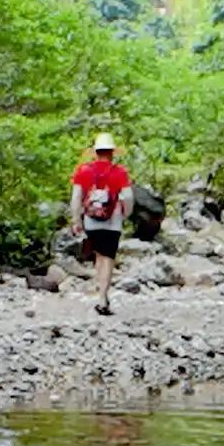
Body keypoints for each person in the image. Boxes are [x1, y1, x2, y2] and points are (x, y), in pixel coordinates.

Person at [69, 131, 137, 316]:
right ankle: (102, 297)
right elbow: (129, 196)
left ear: (95, 152)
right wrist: (125, 214)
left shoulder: (83, 171)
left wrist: (76, 220)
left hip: (91, 220)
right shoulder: (119, 172)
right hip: (113, 220)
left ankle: (100, 292)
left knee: (99, 255)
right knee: (108, 256)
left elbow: (76, 198)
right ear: (112, 152)